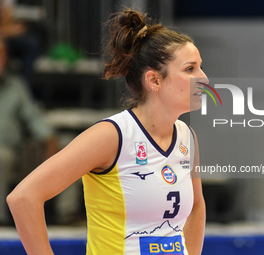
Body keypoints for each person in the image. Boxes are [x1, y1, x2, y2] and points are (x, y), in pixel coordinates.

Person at [7, 8, 207, 255]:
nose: (204, 78)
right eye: (190, 69)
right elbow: (23, 198)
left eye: (200, 67)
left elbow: (197, 207)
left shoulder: (187, 137)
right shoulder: (112, 136)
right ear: (154, 80)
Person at [0, 36, 58, 225]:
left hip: (15, 150)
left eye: (3, 54)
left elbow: (33, 116)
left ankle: (66, 214)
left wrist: (49, 138)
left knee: (66, 148)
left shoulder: (15, 86)